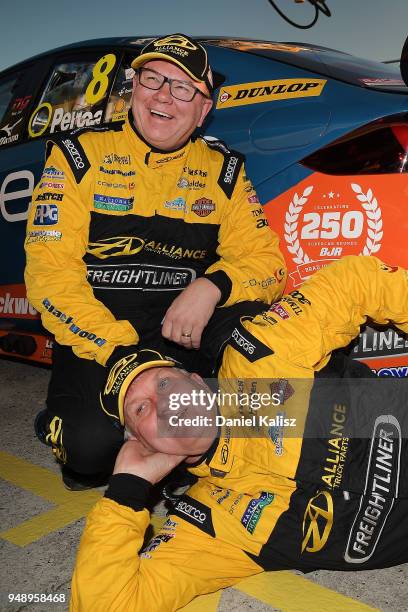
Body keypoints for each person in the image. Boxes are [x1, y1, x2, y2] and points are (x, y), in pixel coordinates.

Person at [70, 255, 408, 611]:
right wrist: (125, 495)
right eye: (140, 410)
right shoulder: (210, 523)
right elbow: (104, 606)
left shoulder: (260, 355)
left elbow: (355, 280)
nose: (164, 403)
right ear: (142, 444)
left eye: (164, 382)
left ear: (197, 380)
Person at [24, 34, 286, 485]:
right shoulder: (78, 157)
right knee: (90, 455)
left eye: (183, 87)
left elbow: (268, 262)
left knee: (259, 344)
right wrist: (127, 358)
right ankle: (56, 417)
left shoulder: (223, 171)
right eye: (153, 79)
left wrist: (213, 286)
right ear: (134, 89)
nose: (164, 95)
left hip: (181, 329)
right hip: (102, 337)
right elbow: (51, 276)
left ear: (204, 109)